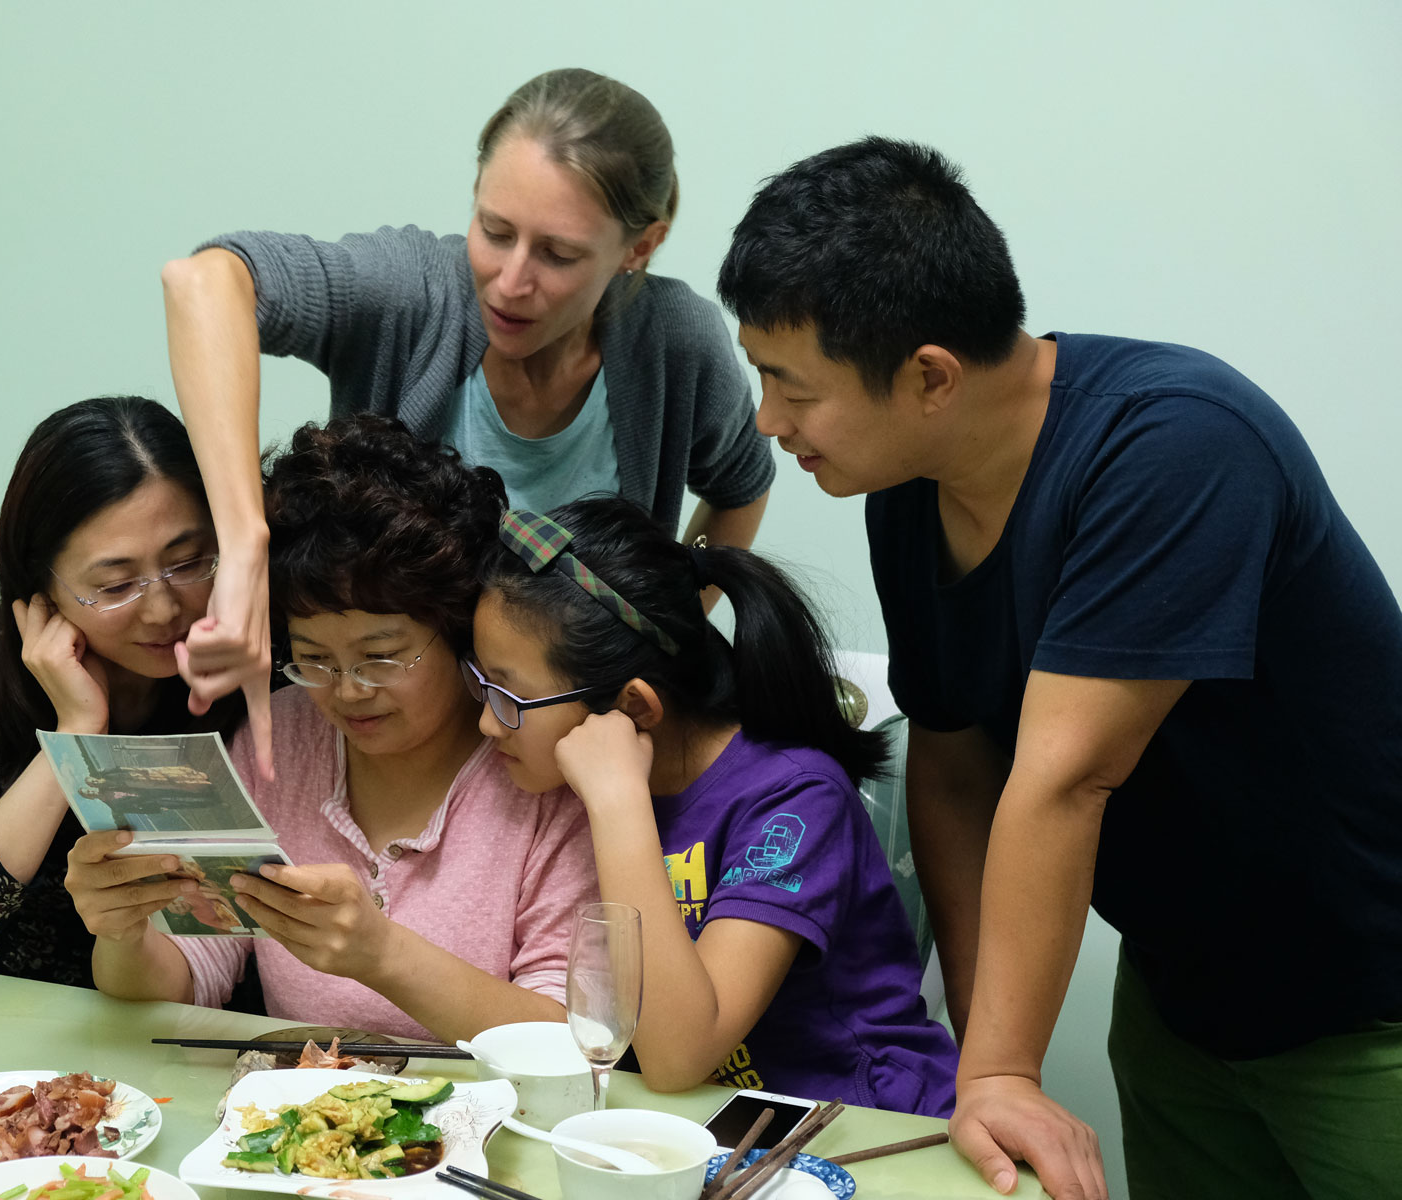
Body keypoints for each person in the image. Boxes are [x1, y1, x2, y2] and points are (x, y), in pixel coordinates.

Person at [718, 137, 1402, 1198]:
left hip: (1368, 1009)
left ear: (929, 377)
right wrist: (986, 1059)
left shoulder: (1174, 445)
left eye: (789, 385)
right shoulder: (909, 485)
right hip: (1183, 995)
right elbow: (953, 766)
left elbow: (1066, 775)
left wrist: (1000, 1065)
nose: (769, 421)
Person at [162, 67, 774, 776]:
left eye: (558, 254)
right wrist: (243, 549)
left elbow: (741, 485)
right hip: (387, 735)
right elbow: (204, 281)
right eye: (494, 231)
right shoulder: (411, 291)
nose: (511, 282)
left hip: (547, 753)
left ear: (638, 248)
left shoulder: (675, 344)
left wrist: (650, 629)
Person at [64, 416, 599, 1041]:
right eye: (313, 658)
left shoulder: (539, 764)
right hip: (306, 1123)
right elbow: (192, 974)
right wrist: (123, 931)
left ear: (457, 633)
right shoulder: (282, 736)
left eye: (382, 656)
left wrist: (384, 956)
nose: (347, 690)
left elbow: (572, 1039)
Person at [472, 496, 959, 1115]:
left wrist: (619, 804)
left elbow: (679, 1055)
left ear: (633, 708)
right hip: (708, 1125)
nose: (488, 723)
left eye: (510, 695)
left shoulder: (795, 800)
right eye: (480, 682)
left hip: (861, 1125)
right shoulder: (555, 784)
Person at [0, 396, 241, 987]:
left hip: (197, 1024)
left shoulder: (264, 668)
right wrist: (75, 728)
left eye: (188, 563)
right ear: (42, 586)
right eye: (116, 584)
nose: (162, 609)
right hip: (18, 1037)